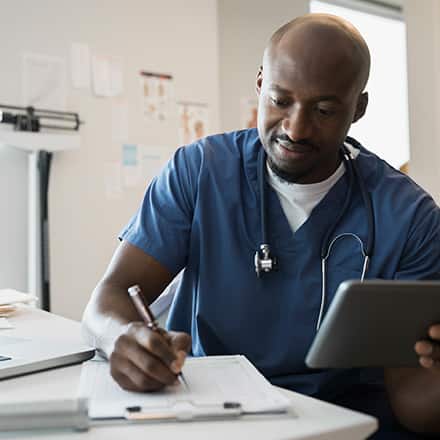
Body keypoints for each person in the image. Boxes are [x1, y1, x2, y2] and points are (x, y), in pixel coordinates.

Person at [82, 13, 440, 439]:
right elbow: (111, 295)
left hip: (343, 426)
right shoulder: (200, 172)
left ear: (358, 108)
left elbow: (415, 407)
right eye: (280, 100)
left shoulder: (411, 217)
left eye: (324, 110)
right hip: (210, 417)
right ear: (259, 85)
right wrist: (122, 337)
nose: (295, 127)